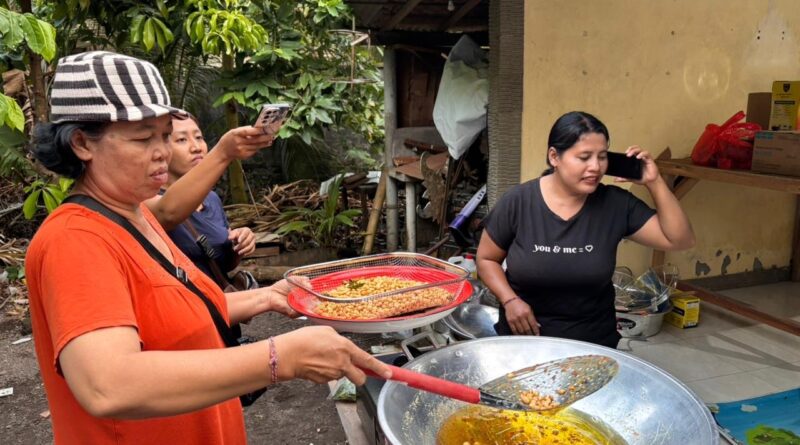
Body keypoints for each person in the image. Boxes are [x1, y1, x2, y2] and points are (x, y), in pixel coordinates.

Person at [25, 51, 391, 445]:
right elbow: (107, 385)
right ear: (82, 143)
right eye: (144, 137)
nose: (163, 150)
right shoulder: (76, 240)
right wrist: (277, 357)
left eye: (166, 134)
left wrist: (269, 296)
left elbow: (180, 312)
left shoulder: (136, 216)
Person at [477, 111, 695, 348]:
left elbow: (680, 240)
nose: (596, 167)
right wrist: (510, 301)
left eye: (602, 157)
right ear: (554, 157)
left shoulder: (616, 205)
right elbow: (487, 259)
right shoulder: (518, 201)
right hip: (524, 342)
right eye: (584, 157)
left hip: (593, 343)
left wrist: (655, 182)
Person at [157, 113, 255, 289]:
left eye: (198, 137)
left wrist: (239, 244)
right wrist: (223, 152)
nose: (196, 147)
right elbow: (168, 212)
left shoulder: (211, 198)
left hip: (218, 307)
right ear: (160, 148)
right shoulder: (150, 202)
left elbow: (223, 265)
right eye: (181, 140)